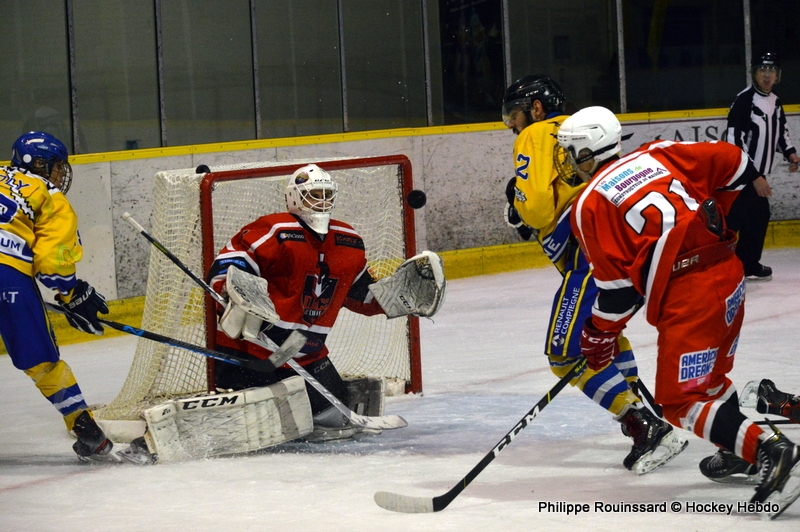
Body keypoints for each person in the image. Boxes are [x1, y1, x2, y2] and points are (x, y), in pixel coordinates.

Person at [559, 106, 800, 512]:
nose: (565, 161)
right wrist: (731, 202)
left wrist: (597, 334)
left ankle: (772, 451)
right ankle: (738, 448)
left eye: (568, 152)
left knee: (680, 401)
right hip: (729, 271)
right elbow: (734, 160)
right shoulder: (660, 152)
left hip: (692, 293)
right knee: (710, 380)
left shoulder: (588, 205)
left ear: (586, 153)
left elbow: (620, 295)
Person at [501, 75, 686, 474]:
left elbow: (533, 207)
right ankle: (646, 411)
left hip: (588, 255)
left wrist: (518, 199)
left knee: (565, 353)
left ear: (535, 108)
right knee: (607, 336)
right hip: (622, 253)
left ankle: (644, 426)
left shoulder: (535, 132)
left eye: (514, 115)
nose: (512, 125)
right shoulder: (575, 133)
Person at [207, 164, 444, 441]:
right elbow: (226, 267)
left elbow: (359, 294)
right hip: (250, 351)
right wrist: (235, 294)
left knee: (333, 413)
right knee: (259, 423)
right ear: (294, 197)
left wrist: (397, 297)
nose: (320, 201)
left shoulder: (348, 241)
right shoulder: (276, 230)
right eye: (312, 194)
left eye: (325, 194)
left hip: (308, 353)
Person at [1, 131, 111, 460]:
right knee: (43, 363)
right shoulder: (48, 194)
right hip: (8, 276)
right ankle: (87, 431)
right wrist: (72, 293)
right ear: (37, 164)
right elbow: (52, 265)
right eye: (55, 167)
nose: (58, 175)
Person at [725, 51, 800, 281]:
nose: (767, 75)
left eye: (771, 71)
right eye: (762, 70)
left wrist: (790, 153)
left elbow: (781, 132)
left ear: (778, 75)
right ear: (754, 73)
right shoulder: (744, 100)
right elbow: (733, 143)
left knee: (758, 216)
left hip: (757, 176)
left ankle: (746, 264)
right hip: (740, 176)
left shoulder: (775, 101)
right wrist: (754, 176)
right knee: (732, 221)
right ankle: (720, 266)